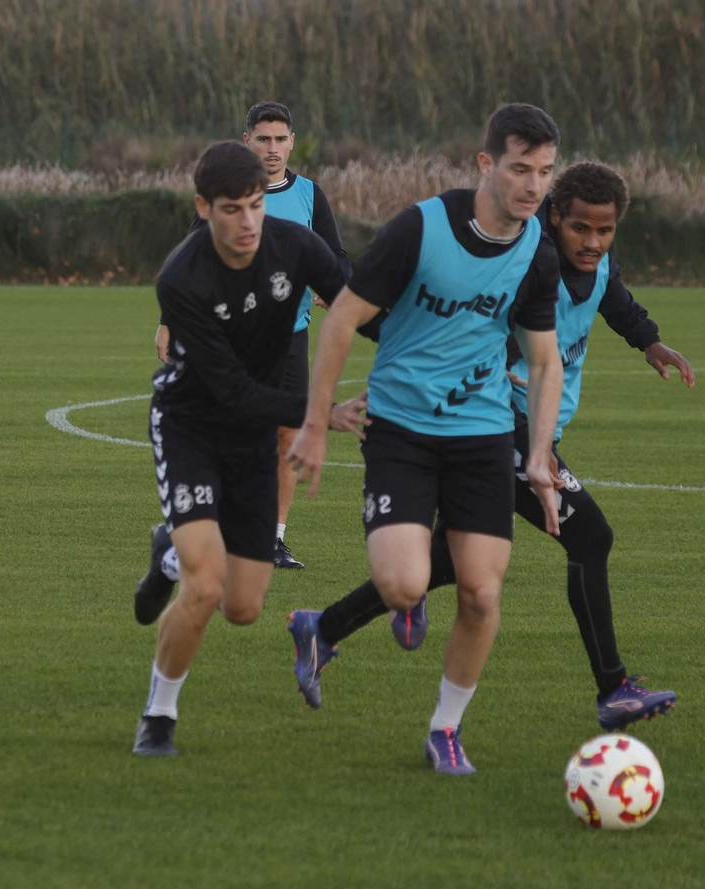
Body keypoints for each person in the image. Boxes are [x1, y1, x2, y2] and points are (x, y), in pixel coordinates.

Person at [293, 162, 694, 735]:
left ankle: (323, 627)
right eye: (580, 229)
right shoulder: (524, 267)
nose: (593, 242)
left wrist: (650, 343)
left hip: (534, 433)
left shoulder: (597, 264)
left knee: (450, 563)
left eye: (605, 232)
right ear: (555, 217)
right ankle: (613, 688)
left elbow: (615, 300)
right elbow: (462, 343)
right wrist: (531, 447)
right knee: (588, 534)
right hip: (490, 430)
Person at [283, 103, 564, 775]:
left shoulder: (536, 253)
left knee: (481, 592)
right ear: (485, 163)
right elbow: (342, 320)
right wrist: (317, 424)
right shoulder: (420, 228)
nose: (532, 186)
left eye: (546, 173)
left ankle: (446, 728)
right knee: (406, 583)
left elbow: (546, 359)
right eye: (520, 168)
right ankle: (321, 624)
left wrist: (538, 457)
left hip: (481, 432)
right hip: (401, 426)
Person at [129, 141, 368, 757]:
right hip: (190, 427)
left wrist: (441, 348)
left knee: (242, 607)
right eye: (232, 209)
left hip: (252, 439)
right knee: (206, 591)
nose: (248, 223)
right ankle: (159, 713)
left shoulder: (294, 245)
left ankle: (170, 554)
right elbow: (231, 391)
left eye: (256, 206)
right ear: (202, 208)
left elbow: (360, 307)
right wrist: (324, 413)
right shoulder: (181, 278)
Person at [155, 102, 352, 569]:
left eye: (281, 139)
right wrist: (168, 321)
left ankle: (273, 536)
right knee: (231, 425)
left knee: (288, 436)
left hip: (290, 336)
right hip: (229, 338)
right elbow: (190, 259)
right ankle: (194, 529)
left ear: (292, 143)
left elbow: (337, 261)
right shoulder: (225, 194)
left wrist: (334, 291)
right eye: (263, 138)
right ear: (247, 141)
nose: (273, 148)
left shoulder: (309, 195)